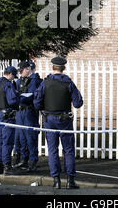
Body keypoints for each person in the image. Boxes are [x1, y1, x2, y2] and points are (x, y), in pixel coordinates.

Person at [33, 56, 83, 189]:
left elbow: (37, 103)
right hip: (65, 120)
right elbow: (78, 103)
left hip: (49, 119)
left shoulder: (45, 82)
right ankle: (70, 181)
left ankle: (56, 180)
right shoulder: (68, 83)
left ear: (52, 67)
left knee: (52, 150)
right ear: (64, 68)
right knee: (68, 150)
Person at [14, 60, 41, 172]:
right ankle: (24, 159)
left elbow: (31, 96)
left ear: (28, 69)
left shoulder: (35, 81)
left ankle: (32, 160)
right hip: (20, 112)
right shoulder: (20, 80)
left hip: (29, 111)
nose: (20, 73)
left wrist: (19, 96)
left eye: (22, 70)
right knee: (22, 137)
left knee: (31, 137)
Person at [0, 66, 19, 175]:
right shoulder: (8, 84)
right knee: (7, 140)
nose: (13, 79)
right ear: (10, 74)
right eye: (13, 76)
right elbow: (12, 100)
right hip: (8, 115)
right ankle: (7, 166)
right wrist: (18, 96)